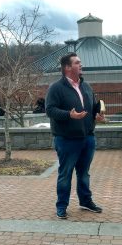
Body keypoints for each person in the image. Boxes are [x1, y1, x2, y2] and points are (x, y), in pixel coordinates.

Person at [46, 52, 105, 219]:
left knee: (84, 173)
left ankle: (85, 201)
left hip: (87, 138)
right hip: (66, 140)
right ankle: (62, 206)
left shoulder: (86, 86)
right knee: (65, 174)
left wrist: (97, 115)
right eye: (77, 62)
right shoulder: (56, 88)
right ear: (67, 67)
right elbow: (50, 110)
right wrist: (69, 115)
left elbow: (92, 108)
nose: (81, 65)